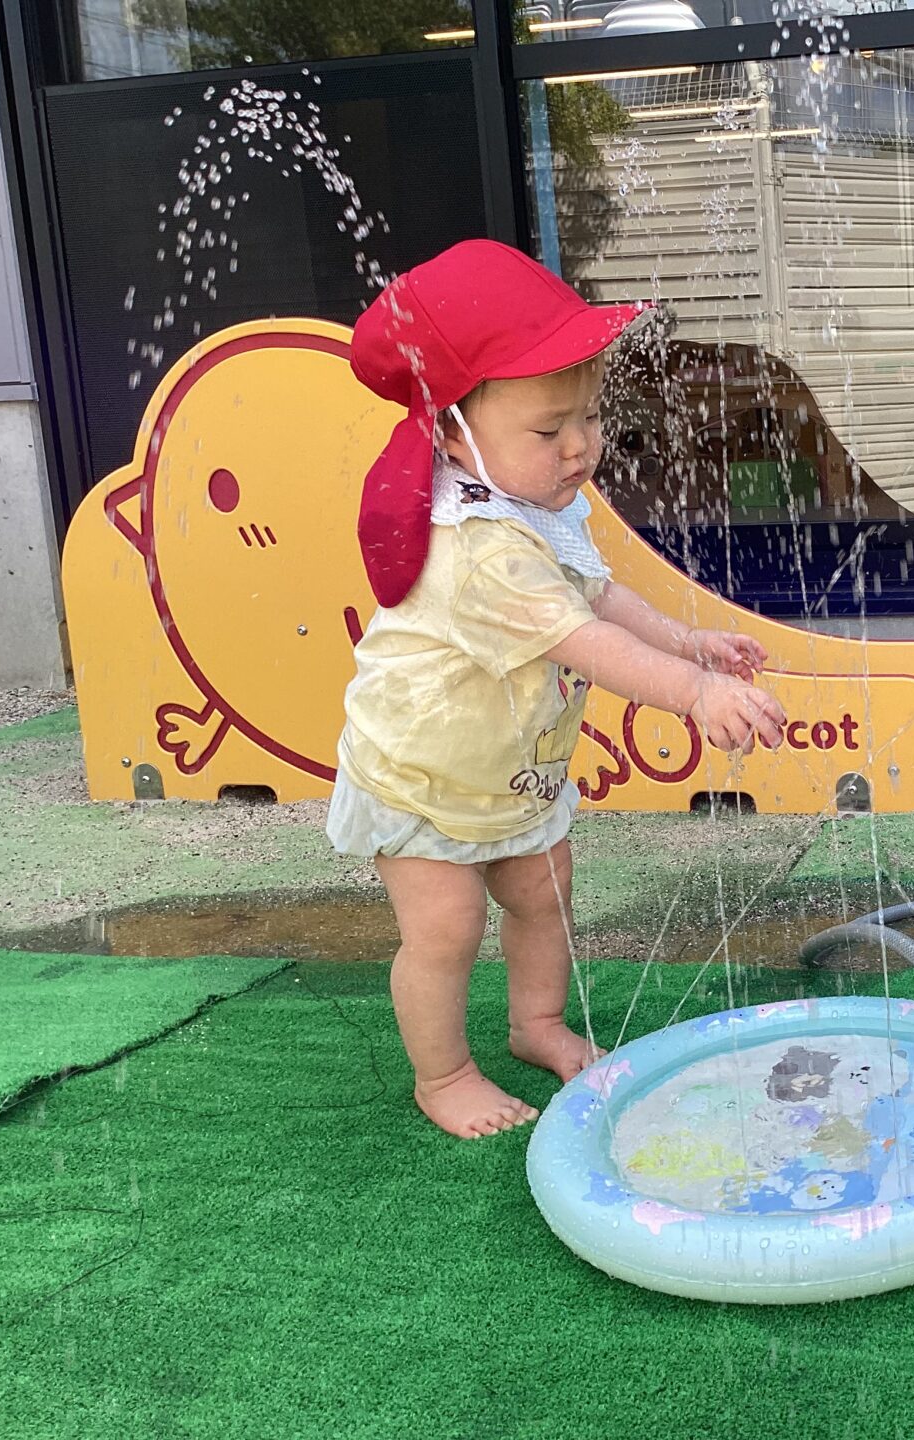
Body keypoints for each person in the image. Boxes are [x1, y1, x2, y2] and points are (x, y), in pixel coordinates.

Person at [329, 240, 786, 1139]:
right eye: (548, 431)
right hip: (420, 779)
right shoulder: (478, 550)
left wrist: (689, 640)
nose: (580, 447)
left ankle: (535, 1022)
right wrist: (693, 691)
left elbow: (598, 593)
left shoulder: (537, 504)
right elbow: (586, 640)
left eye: (591, 416)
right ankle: (444, 1075)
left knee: (545, 892)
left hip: (509, 775)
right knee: (448, 928)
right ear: (454, 433)